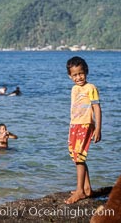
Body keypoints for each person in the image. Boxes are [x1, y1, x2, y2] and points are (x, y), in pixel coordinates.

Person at [65, 56, 102, 204]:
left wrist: (98, 128)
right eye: (75, 75)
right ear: (70, 76)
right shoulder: (74, 89)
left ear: (86, 72)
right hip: (74, 125)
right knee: (75, 156)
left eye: (81, 73)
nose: (78, 77)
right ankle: (87, 188)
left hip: (86, 125)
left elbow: (97, 108)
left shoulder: (91, 88)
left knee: (80, 157)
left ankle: (80, 191)